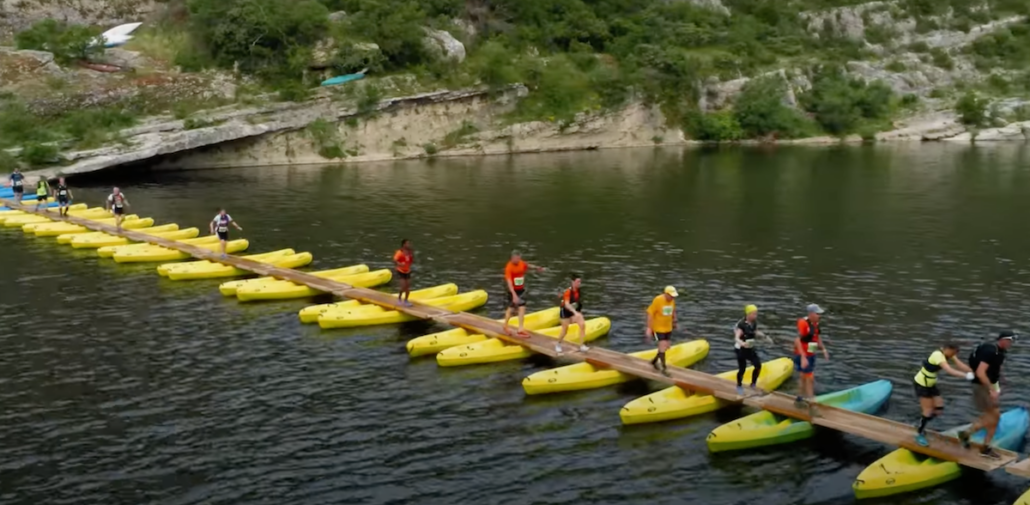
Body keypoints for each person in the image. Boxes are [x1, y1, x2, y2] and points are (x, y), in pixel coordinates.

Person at [958, 331, 1017, 460]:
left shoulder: (1000, 352)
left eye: (1011, 341)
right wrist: (991, 389)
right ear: (1001, 340)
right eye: (1008, 341)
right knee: (994, 416)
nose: (1010, 343)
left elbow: (996, 366)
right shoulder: (990, 352)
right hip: (982, 387)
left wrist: (1001, 378)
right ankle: (971, 435)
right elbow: (980, 372)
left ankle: (980, 442)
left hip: (990, 385)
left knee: (994, 417)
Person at [912, 342, 974, 447]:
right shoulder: (938, 355)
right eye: (953, 353)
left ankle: (920, 422)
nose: (953, 355)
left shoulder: (949, 353)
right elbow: (949, 370)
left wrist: (974, 372)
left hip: (931, 384)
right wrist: (966, 376)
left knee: (939, 409)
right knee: (928, 410)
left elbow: (960, 365)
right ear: (948, 349)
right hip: (922, 384)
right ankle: (919, 433)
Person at [794, 304, 830, 407]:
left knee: (803, 376)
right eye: (817, 314)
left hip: (811, 353)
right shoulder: (804, 324)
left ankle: (799, 397)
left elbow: (817, 338)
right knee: (809, 377)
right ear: (811, 314)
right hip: (803, 355)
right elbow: (797, 340)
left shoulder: (816, 324)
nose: (819, 316)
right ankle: (811, 400)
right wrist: (803, 357)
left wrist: (823, 349)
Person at [503, 250, 545, 337]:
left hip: (521, 289)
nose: (518, 261)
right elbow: (509, 282)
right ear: (512, 258)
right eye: (516, 259)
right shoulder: (509, 267)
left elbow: (527, 265)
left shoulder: (521, 263)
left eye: (519, 259)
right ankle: (505, 325)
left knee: (522, 307)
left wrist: (537, 268)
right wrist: (514, 295)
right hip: (512, 290)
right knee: (511, 308)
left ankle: (520, 329)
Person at [735, 304, 770, 395]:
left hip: (750, 348)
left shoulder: (754, 322)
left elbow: (755, 331)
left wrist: (765, 337)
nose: (756, 316)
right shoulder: (741, 324)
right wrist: (742, 343)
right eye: (754, 314)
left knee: (758, 365)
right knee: (742, 369)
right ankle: (739, 385)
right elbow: (737, 337)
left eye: (756, 314)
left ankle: (753, 384)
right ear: (748, 314)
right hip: (741, 349)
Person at [646, 286, 679, 375]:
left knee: (665, 347)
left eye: (673, 296)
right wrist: (649, 328)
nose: (672, 298)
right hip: (658, 328)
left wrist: (675, 321)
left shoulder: (672, 301)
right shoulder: (658, 300)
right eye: (671, 296)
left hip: (668, 328)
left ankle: (654, 361)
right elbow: (650, 313)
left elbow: (673, 311)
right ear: (666, 294)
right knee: (662, 346)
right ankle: (664, 368)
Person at [555, 274, 587, 354]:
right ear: (573, 282)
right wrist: (575, 312)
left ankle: (582, 345)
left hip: (574, 312)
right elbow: (567, 304)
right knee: (565, 330)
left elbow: (578, 302)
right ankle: (558, 344)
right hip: (565, 312)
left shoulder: (579, 291)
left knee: (582, 324)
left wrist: (579, 312)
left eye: (580, 282)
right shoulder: (568, 292)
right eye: (577, 282)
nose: (579, 283)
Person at [393, 239, 414, 306]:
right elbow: (395, 260)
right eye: (407, 243)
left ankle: (406, 300)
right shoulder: (399, 252)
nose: (408, 245)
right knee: (403, 286)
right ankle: (399, 299)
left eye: (409, 243)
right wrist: (399, 264)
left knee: (408, 286)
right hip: (400, 271)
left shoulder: (409, 252)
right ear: (404, 244)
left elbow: (410, 261)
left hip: (407, 271)